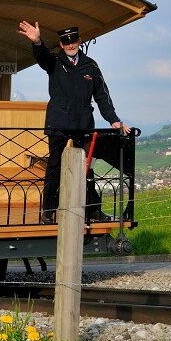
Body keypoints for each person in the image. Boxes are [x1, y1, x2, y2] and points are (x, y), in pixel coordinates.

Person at [18, 20, 130, 220]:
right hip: (58, 123)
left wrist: (114, 120)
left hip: (83, 124)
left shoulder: (91, 66)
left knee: (87, 169)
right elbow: (42, 57)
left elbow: (102, 95)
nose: (70, 45)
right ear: (61, 44)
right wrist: (37, 42)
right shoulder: (54, 62)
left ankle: (93, 210)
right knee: (54, 168)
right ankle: (49, 212)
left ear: (79, 41)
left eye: (73, 41)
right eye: (66, 42)